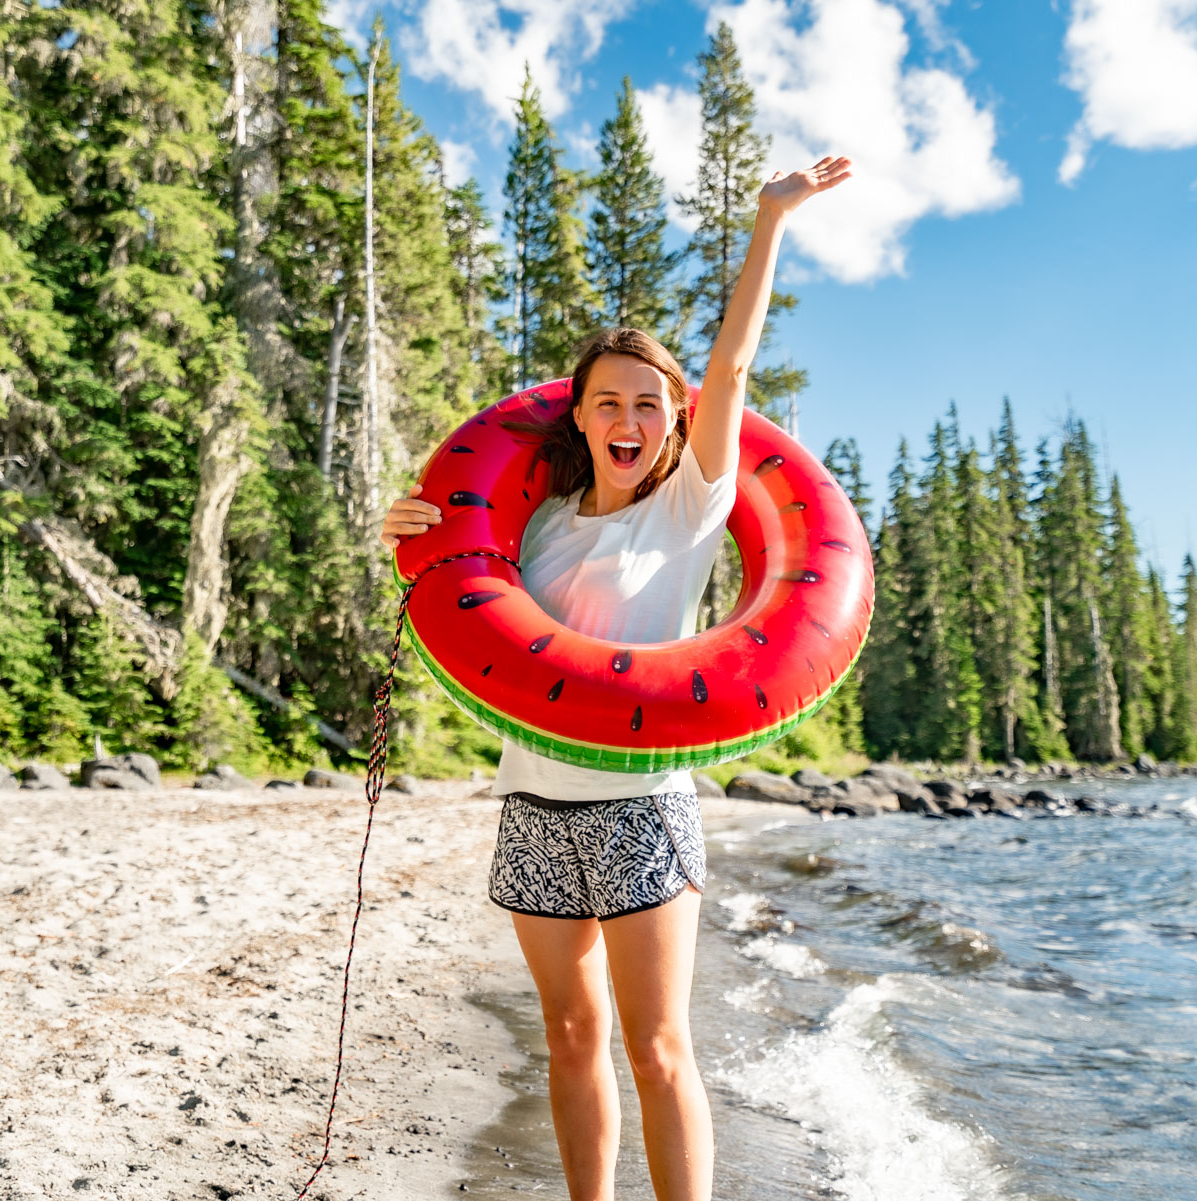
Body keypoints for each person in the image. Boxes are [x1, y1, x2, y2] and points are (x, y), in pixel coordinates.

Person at [379, 155, 852, 1201]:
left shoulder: (688, 508)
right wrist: (406, 529)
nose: (628, 419)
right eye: (608, 403)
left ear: (672, 420)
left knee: (660, 1047)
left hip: (643, 809)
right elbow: (457, 583)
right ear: (582, 416)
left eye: (648, 403)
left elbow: (728, 368)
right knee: (567, 1032)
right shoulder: (536, 524)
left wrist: (770, 219)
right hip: (534, 803)